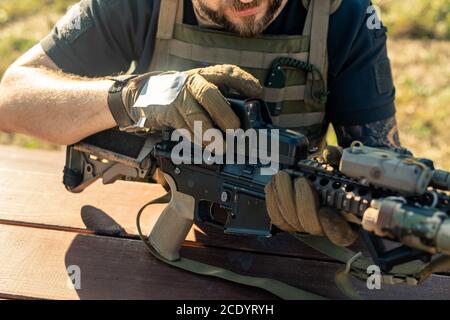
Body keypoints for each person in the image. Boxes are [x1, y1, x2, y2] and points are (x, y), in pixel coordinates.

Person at [0, 0, 402, 246]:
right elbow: (13, 98)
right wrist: (135, 97)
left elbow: (381, 174)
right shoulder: (134, 5)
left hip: (292, 247)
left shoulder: (346, 14)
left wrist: (328, 206)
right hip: (154, 233)